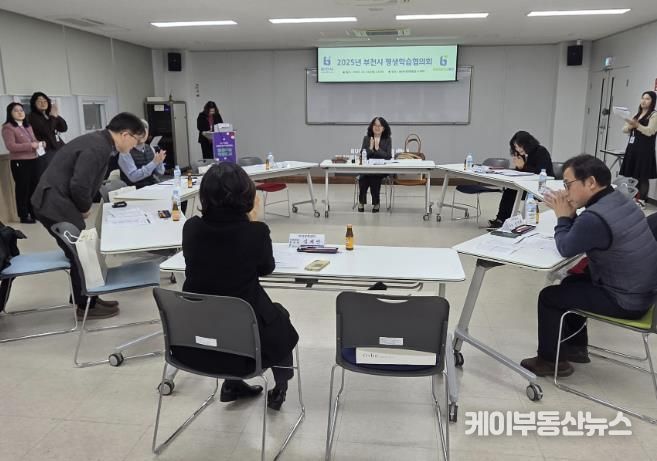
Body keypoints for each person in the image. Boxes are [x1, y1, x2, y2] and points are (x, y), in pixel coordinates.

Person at [520, 154, 657, 377]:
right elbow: (586, 234)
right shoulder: (619, 199)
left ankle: (550, 361)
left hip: (627, 300)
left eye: (568, 184)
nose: (566, 192)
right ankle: (576, 348)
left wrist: (563, 217)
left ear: (591, 182)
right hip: (643, 291)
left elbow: (566, 247)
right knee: (571, 283)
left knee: (549, 297)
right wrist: (571, 215)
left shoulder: (595, 217)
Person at [181, 162, 299, 410]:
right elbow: (266, 268)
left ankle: (233, 384)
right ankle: (280, 387)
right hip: (247, 340)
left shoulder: (191, 228)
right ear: (247, 196)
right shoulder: (255, 232)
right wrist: (253, 220)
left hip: (197, 337)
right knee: (280, 319)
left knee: (230, 318)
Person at [31, 112, 145, 320]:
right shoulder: (98, 147)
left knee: (82, 251)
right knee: (80, 253)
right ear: (125, 134)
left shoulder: (100, 142)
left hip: (57, 201)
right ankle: (86, 306)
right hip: (54, 204)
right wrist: (84, 208)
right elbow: (79, 184)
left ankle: (89, 298)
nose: (134, 146)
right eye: (136, 141)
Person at [488, 131, 554, 228]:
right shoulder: (521, 154)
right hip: (526, 184)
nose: (518, 149)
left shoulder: (541, 151)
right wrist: (519, 168)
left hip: (541, 185)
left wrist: (523, 166)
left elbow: (540, 172)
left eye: (520, 146)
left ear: (528, 144)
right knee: (509, 190)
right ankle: (501, 219)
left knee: (512, 192)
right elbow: (522, 172)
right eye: (515, 146)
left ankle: (506, 220)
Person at [1, 102, 42, 223]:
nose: (20, 112)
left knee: (34, 188)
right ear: (10, 113)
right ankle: (24, 215)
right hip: (20, 162)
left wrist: (40, 144)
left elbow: (34, 140)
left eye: (21, 110)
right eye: (16, 110)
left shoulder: (28, 126)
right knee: (23, 189)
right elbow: (11, 146)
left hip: (34, 160)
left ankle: (34, 213)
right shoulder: (8, 127)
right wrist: (30, 145)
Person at [620, 90, 657, 204]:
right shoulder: (637, 115)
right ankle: (633, 198)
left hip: (645, 150)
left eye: (647, 99)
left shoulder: (654, 115)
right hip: (633, 148)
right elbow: (624, 129)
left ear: (652, 101)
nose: (644, 101)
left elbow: (650, 131)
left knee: (643, 175)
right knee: (633, 175)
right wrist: (630, 126)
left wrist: (637, 125)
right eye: (643, 98)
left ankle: (641, 201)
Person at [118, 119, 166, 188]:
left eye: (145, 131)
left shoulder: (150, 148)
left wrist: (159, 162)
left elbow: (160, 173)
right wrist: (154, 163)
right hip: (135, 190)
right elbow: (134, 177)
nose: (142, 135)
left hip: (152, 187)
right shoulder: (125, 152)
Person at [28, 91, 68, 173]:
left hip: (59, 147)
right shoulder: (32, 116)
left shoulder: (49, 114)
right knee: (52, 173)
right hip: (47, 150)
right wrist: (53, 116)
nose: (43, 103)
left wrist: (56, 116)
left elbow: (63, 128)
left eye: (45, 101)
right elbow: (47, 130)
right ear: (34, 104)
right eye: (39, 101)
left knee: (63, 172)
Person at [358, 116, 392, 213]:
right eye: (375, 125)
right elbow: (362, 154)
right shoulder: (366, 138)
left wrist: (377, 149)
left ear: (383, 128)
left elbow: (388, 156)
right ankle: (361, 202)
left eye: (379, 126)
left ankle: (376, 203)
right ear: (371, 127)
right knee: (363, 178)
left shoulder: (387, 139)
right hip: (367, 169)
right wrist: (370, 148)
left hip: (381, 169)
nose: (377, 127)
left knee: (374, 178)